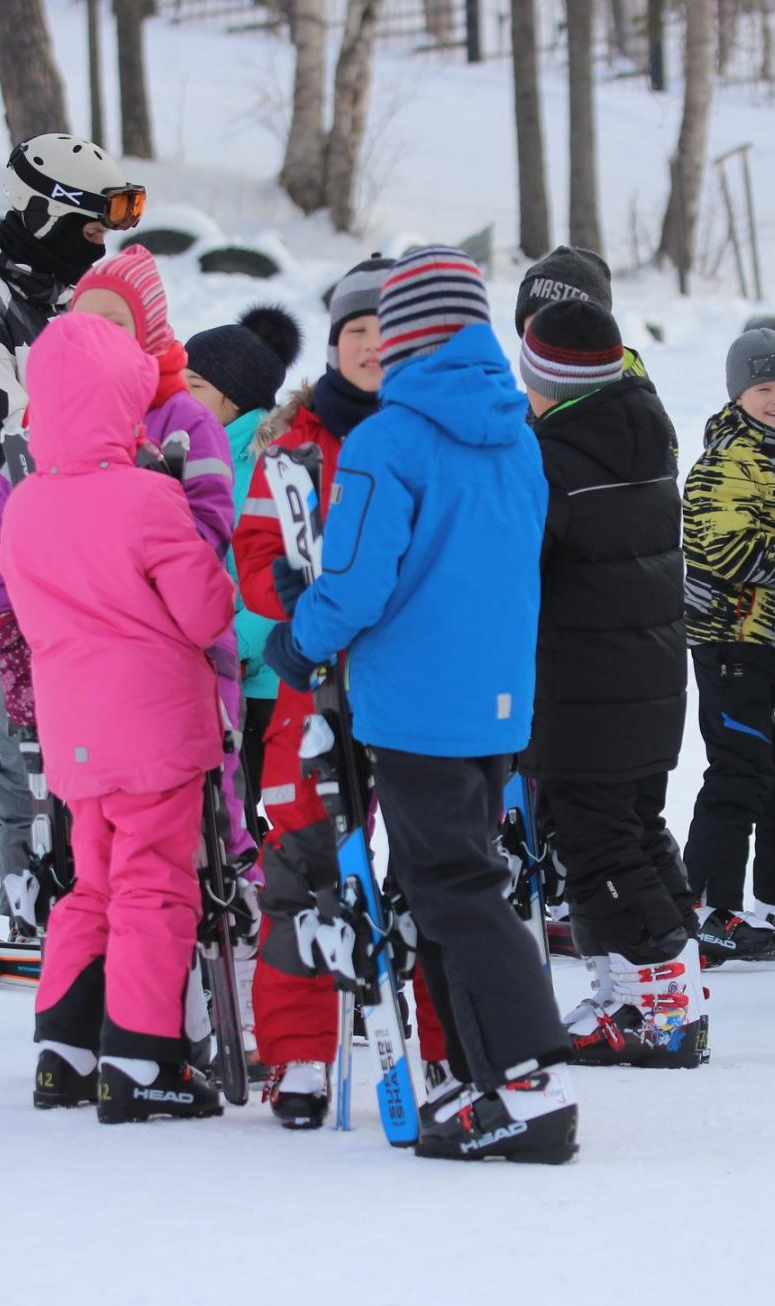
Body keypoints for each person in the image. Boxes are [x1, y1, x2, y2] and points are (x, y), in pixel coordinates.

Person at [262, 246, 577, 1164]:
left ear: (404, 336)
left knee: (456, 890)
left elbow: (358, 584)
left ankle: (528, 1080)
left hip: (414, 704)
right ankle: (484, 1074)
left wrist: (300, 633)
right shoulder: (517, 430)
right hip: (495, 702)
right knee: (457, 885)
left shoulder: (387, 439)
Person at [232, 257, 450, 1131]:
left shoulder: (425, 430)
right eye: (352, 332)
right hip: (312, 694)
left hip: (412, 687)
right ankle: (298, 1056)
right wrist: (292, 602)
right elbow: (252, 552)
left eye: (381, 332)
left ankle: (439, 1041)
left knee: (432, 871)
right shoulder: (294, 438)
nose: (368, 347)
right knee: (303, 871)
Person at [3, 311, 236, 1122]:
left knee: (90, 886)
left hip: (76, 734)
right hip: (155, 735)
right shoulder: (147, 499)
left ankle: (62, 1052)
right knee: (154, 888)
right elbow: (206, 610)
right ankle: (141, 1057)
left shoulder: (26, 504)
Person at [0, 245, 256, 877]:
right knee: (85, 788)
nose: (98, 336)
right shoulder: (41, 426)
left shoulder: (183, 419)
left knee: (207, 776)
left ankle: (224, 878)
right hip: (76, 646)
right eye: (86, 320)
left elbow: (209, 525)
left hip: (175, 643)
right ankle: (100, 898)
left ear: (149, 333)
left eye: (117, 323)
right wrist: (6, 621)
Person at [0, 132, 136, 931]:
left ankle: (88, 894)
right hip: (2, 552)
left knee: (85, 732)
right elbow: (8, 436)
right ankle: (33, 902)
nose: (101, 245)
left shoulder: (56, 293)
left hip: (78, 550)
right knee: (28, 734)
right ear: (46, 213)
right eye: (91, 229)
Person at [514, 299, 704, 1069]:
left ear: (546, 380)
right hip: (647, 680)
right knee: (636, 833)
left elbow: (523, 565)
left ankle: (661, 1005)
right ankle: (647, 990)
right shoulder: (643, 431)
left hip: (583, 689)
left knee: (599, 851)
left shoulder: (554, 459)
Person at [681, 327, 775, 963]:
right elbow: (716, 545)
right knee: (742, 768)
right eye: (764, 388)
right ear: (738, 392)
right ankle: (710, 904)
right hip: (732, 642)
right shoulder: (722, 461)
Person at [182, 305, 306, 842]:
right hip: (217, 666)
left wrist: (242, 641)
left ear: (235, 397)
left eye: (196, 386)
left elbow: (279, 562)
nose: (181, 398)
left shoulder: (267, 455)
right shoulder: (194, 452)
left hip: (265, 675)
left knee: (275, 805)